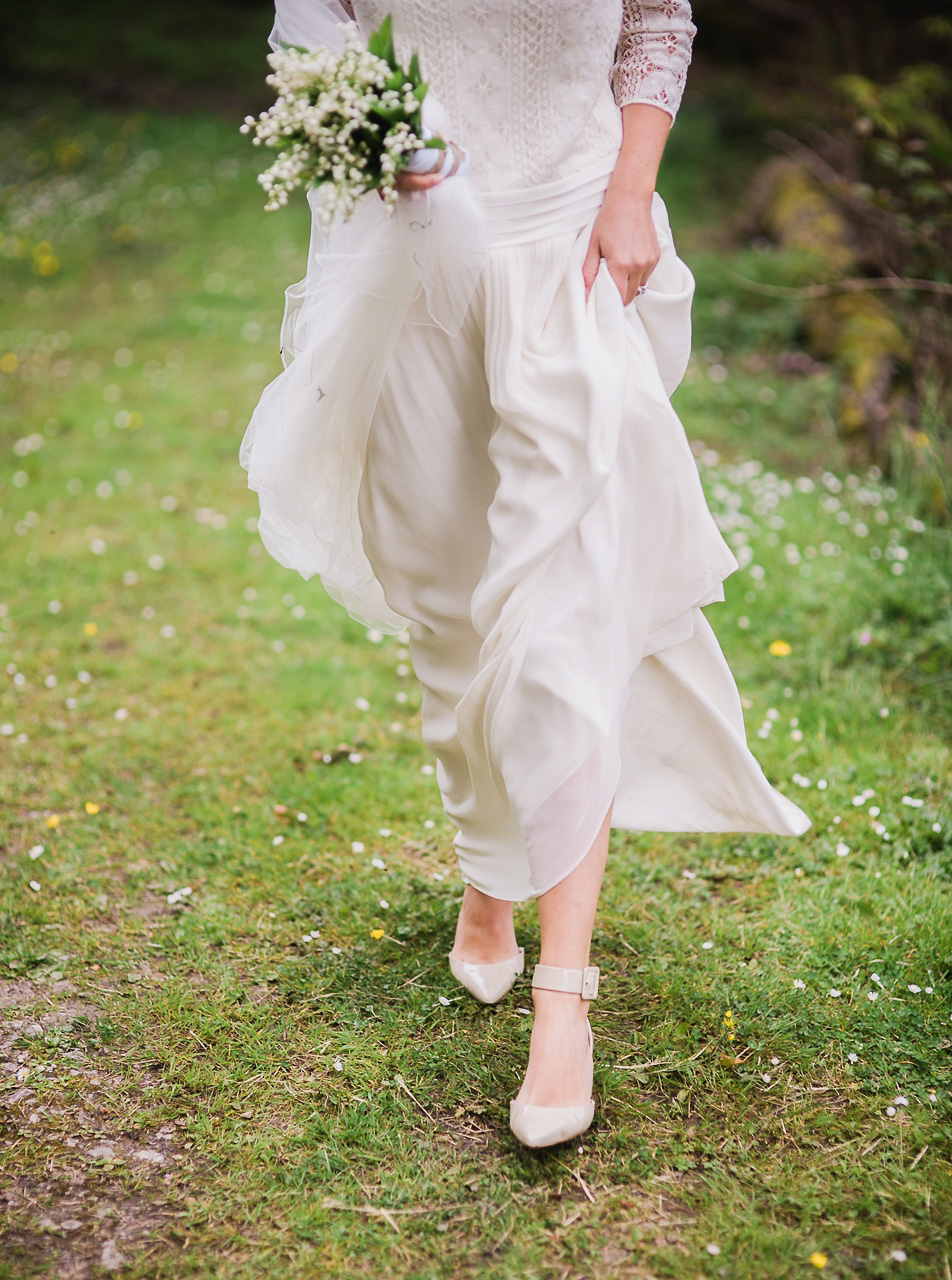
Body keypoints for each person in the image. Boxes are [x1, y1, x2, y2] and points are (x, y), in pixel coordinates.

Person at [241, 0, 811, 1149]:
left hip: (572, 253)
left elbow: (655, 18)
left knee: (560, 618)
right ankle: (490, 873)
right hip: (414, 272)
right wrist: (393, 146)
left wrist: (630, 188)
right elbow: (313, 30)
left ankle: (565, 999)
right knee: (454, 615)